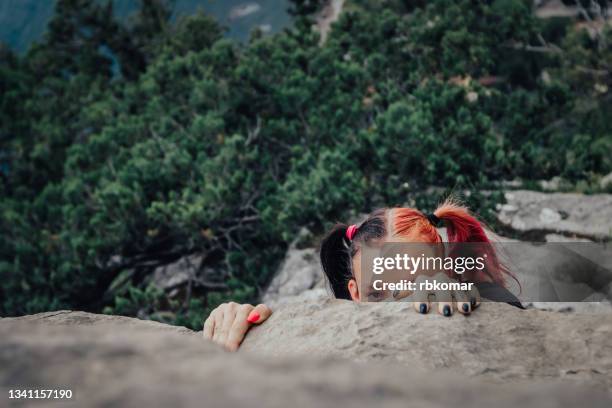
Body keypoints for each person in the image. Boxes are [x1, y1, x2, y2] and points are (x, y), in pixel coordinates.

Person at [203, 199, 521, 351]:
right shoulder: (334, 340)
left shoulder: (485, 305)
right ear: (355, 293)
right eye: (378, 294)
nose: (399, 306)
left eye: (415, 286)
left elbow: (508, 314)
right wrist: (249, 327)